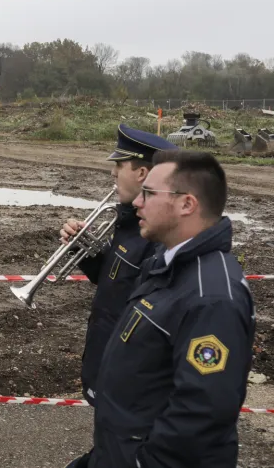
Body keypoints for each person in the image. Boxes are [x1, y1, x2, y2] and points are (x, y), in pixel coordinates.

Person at [72, 150, 255, 468]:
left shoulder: (212, 298)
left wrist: (139, 462)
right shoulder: (166, 264)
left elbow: (202, 414)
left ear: (187, 204)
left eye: (149, 194)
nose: (138, 203)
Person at [59, 124, 176, 468]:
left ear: (141, 173)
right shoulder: (128, 222)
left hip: (127, 385)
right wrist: (89, 252)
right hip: (108, 370)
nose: (112, 172)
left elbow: (143, 310)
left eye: (119, 165)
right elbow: (116, 282)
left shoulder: (153, 236)